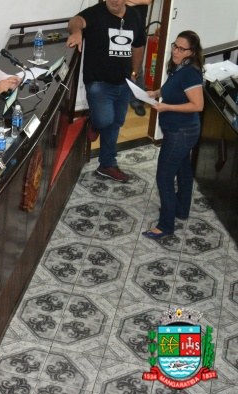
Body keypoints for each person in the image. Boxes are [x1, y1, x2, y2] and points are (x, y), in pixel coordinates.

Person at [67, 0, 146, 183]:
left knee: (116, 122)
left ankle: (107, 164)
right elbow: (75, 21)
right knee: (105, 120)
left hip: (124, 82)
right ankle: (95, 122)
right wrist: (77, 32)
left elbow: (138, 45)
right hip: (98, 82)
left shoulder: (134, 15)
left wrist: (135, 72)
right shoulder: (95, 13)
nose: (114, 1)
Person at [142, 30, 204, 240]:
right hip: (179, 130)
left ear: (191, 52)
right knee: (183, 170)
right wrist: (155, 93)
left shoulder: (190, 73)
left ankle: (165, 225)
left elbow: (198, 105)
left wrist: (167, 107)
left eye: (181, 49)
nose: (175, 51)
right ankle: (181, 210)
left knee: (164, 176)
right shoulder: (179, 67)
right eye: (175, 46)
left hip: (181, 133)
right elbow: (172, 89)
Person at [127, 0, 152, 116]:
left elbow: (147, 1)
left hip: (138, 26)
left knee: (137, 64)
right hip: (120, 25)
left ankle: (138, 100)